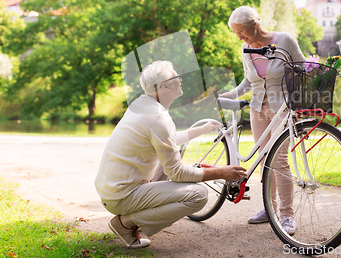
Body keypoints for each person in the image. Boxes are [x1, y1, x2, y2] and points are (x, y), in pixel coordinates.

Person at [95, 60, 246, 248]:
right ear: (164, 86)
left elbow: (168, 139)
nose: (180, 79)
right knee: (198, 194)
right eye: (176, 77)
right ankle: (125, 223)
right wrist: (221, 172)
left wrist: (202, 129)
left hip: (113, 189)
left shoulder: (142, 104)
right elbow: (177, 173)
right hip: (122, 196)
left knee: (177, 149)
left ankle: (138, 217)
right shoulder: (158, 117)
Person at [219, 6, 306, 235]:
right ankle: (270, 208)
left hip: (282, 109)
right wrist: (234, 93)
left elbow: (304, 68)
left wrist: (304, 99)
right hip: (258, 109)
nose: (238, 36)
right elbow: (249, 81)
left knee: (280, 160)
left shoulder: (285, 40)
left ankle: (286, 215)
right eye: (235, 32)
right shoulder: (245, 48)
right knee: (265, 160)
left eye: (240, 31)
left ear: (254, 25)